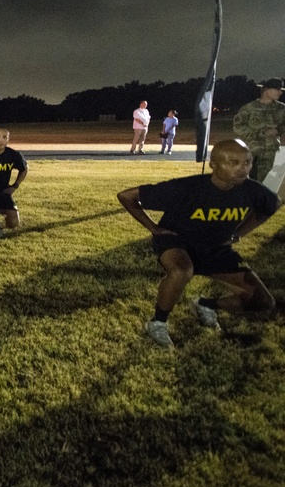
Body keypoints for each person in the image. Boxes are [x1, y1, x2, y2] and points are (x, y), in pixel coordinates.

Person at [117, 139, 280, 349]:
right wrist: (154, 228)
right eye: (233, 162)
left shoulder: (253, 191)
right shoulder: (186, 188)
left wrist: (239, 234)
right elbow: (127, 196)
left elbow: (271, 206)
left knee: (262, 301)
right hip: (177, 241)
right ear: (213, 164)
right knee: (182, 270)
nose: (243, 169)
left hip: (215, 248)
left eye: (247, 162)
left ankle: (205, 304)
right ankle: (157, 322)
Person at [232, 78, 285, 182]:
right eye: (278, 89)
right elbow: (237, 127)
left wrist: (278, 131)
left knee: (266, 183)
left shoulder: (281, 109)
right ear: (267, 90)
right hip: (251, 153)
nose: (280, 92)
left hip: (270, 155)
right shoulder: (249, 109)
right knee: (248, 182)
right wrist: (262, 133)